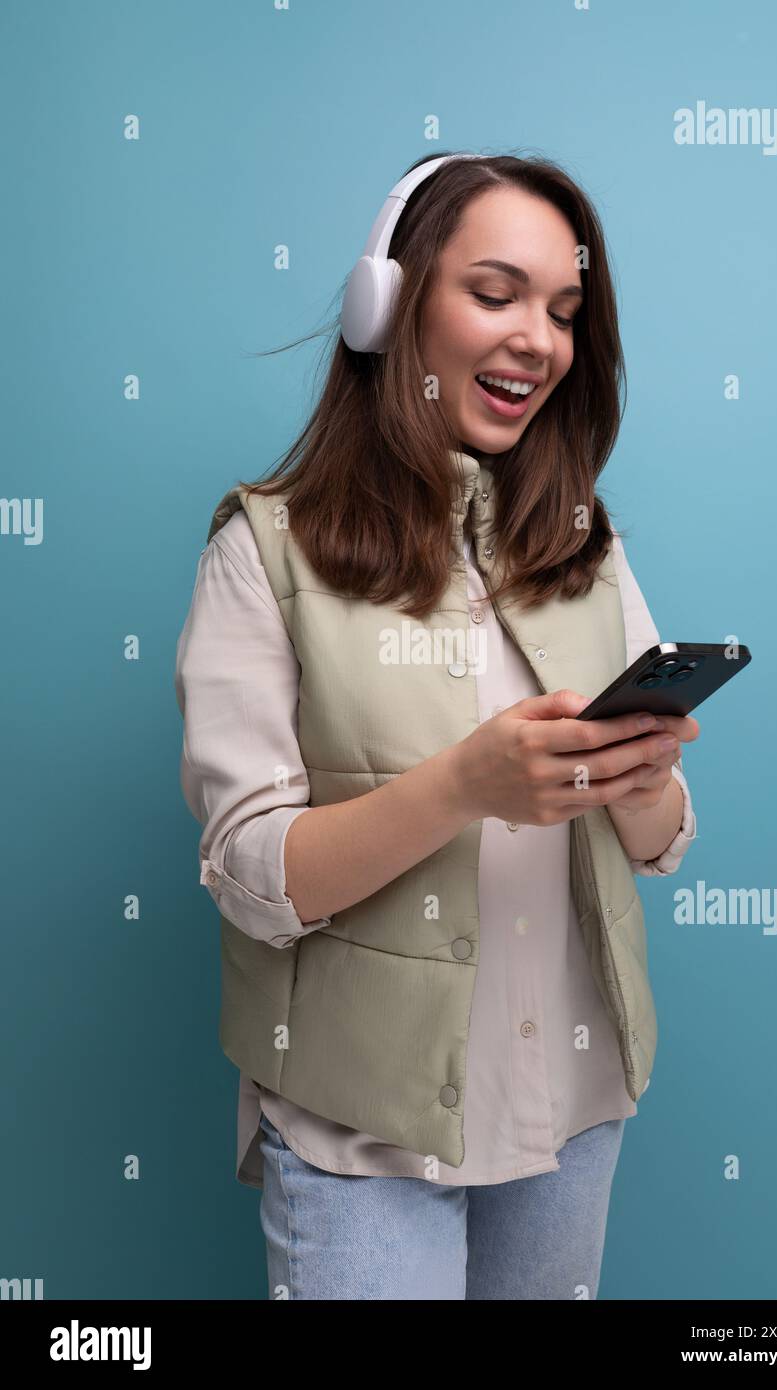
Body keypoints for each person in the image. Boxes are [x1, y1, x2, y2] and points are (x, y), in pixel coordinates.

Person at [174, 150, 700, 1300]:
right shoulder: (262, 552)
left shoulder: (585, 545)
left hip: (567, 1109)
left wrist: (641, 777)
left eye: (563, 311)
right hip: (365, 1137)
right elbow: (253, 879)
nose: (539, 339)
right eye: (494, 293)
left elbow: (660, 840)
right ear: (389, 307)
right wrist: (465, 784)